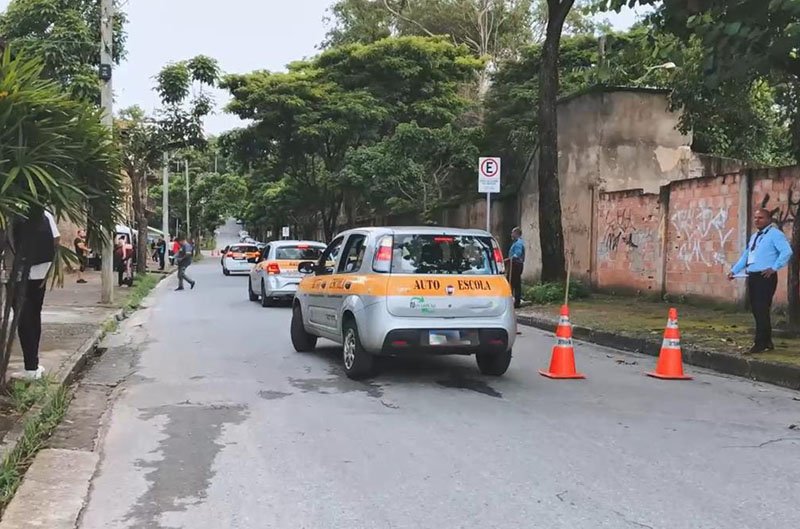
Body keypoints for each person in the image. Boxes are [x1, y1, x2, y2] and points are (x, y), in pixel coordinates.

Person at [728, 208, 793, 354]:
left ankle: (760, 343)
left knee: (761, 309)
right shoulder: (755, 237)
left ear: (769, 219)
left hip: (765, 276)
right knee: (758, 310)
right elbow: (746, 256)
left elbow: (787, 251)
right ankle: (767, 341)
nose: (757, 220)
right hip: (753, 276)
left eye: (761, 218)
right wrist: (734, 270)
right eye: (756, 217)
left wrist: (774, 267)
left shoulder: (775, 234)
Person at [11, 206, 59, 380]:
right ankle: (33, 366)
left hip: (17, 274)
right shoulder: (45, 214)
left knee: (23, 319)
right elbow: (56, 239)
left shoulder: (11, 213)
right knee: (34, 316)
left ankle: (30, 368)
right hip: (41, 273)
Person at [507, 227, 525, 309]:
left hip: (515, 264)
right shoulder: (517, 242)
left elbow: (518, 253)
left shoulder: (518, 243)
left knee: (511, 282)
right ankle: (516, 301)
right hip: (516, 264)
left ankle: (511, 301)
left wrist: (511, 258)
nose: (511, 234)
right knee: (516, 283)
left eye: (512, 233)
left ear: (516, 234)